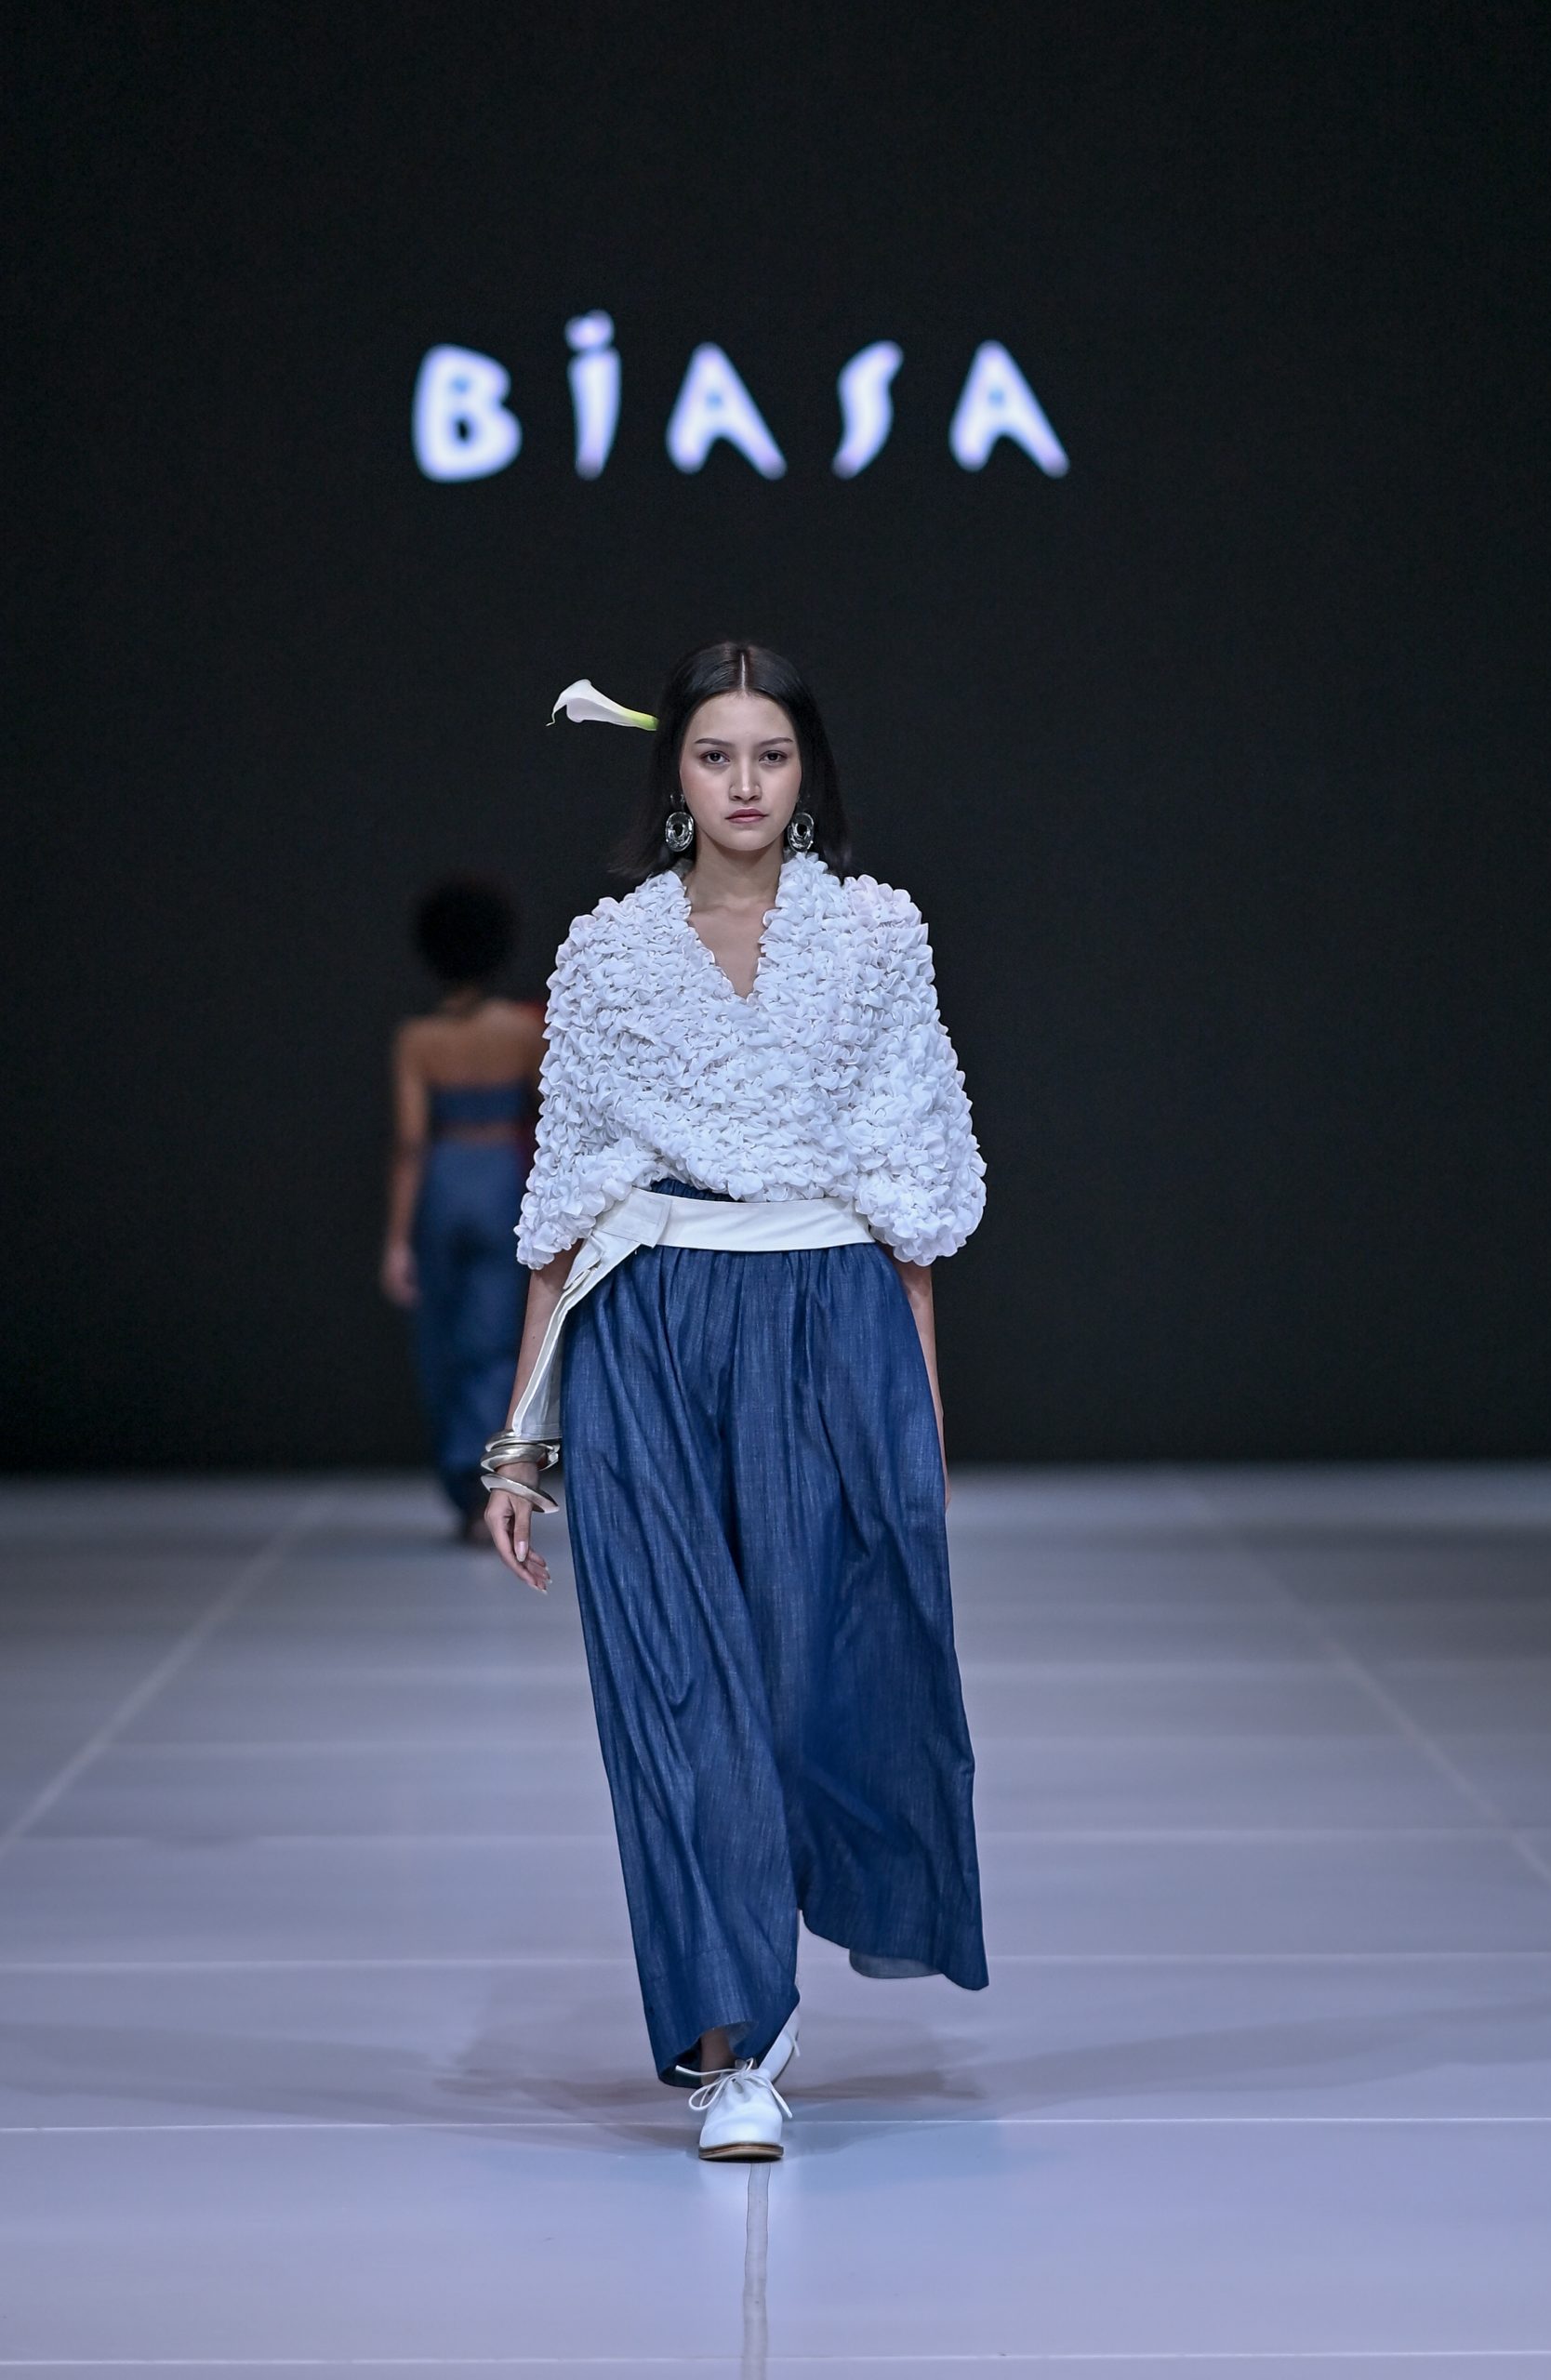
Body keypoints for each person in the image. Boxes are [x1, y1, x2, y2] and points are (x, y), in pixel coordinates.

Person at [484, 642, 988, 2160]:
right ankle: (733, 2046)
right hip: (647, 1328)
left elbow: (910, 1193)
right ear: (675, 775)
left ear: (804, 768)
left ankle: (761, 1985)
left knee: (810, 1682)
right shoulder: (610, 952)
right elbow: (565, 1196)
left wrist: (919, 1419)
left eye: (769, 754)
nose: (744, 783)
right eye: (715, 755)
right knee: (674, 1689)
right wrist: (519, 1442)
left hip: (830, 1323)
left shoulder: (878, 936)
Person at [382, 878, 547, 1537]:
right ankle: (489, 1490)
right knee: (495, 1341)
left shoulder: (418, 1038)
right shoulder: (523, 1031)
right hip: (504, 1181)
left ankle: (464, 1485)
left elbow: (410, 1142)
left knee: (443, 1339)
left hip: (443, 1184)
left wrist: (397, 1240)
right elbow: (553, 1120)